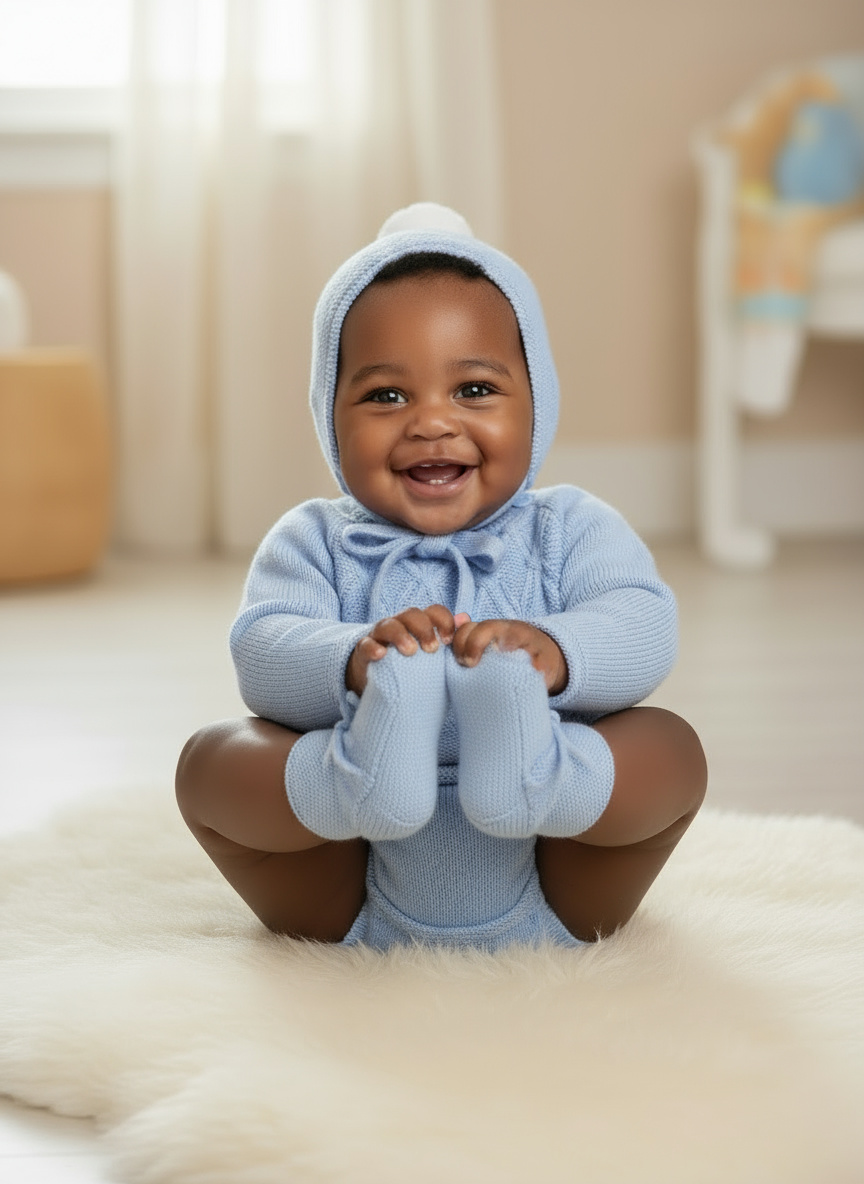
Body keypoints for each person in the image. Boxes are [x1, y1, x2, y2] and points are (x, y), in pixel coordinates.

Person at [175, 203, 707, 951]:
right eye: (386, 395)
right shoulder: (316, 538)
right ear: (331, 416)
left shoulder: (567, 527)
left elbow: (643, 620)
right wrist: (355, 659)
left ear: (537, 402)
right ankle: (353, 782)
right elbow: (261, 648)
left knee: (671, 749)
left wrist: (552, 655)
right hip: (342, 890)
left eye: (474, 391)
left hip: (562, 881)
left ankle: (540, 778)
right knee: (209, 764)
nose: (430, 422)